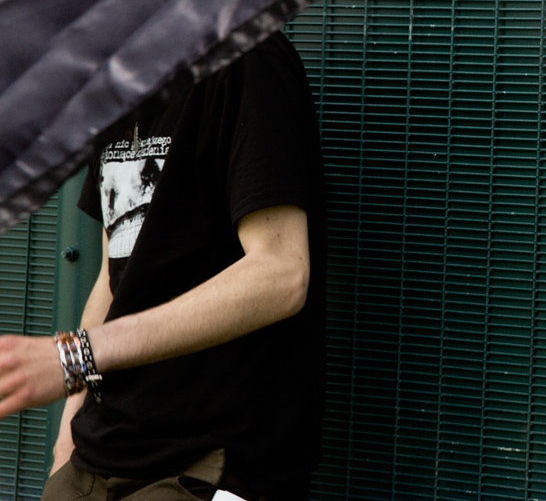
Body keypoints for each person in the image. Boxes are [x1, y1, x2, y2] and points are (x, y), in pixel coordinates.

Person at [0, 32, 325, 501]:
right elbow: (114, 278)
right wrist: (69, 429)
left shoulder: (247, 56)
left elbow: (281, 274)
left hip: (211, 463)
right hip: (98, 452)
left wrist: (73, 357)